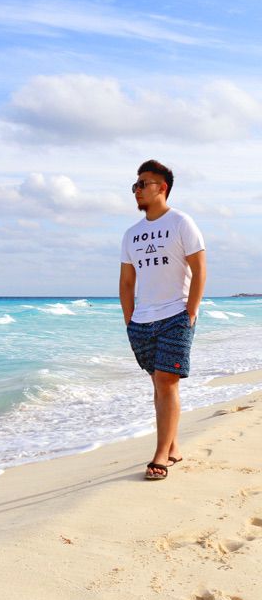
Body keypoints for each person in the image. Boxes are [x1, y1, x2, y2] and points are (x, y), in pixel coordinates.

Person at [119, 159, 206, 480]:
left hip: (175, 315)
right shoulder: (131, 234)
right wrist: (130, 320)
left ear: (162, 188)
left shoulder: (182, 222)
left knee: (167, 381)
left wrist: (191, 311)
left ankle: (160, 456)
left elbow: (199, 269)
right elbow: (126, 282)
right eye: (135, 185)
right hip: (142, 321)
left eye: (143, 184)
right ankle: (173, 446)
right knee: (159, 383)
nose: (137, 190)